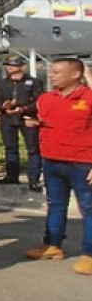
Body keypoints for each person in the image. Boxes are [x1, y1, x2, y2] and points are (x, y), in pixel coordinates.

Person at [23, 58, 92, 275]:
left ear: (76, 74)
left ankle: (89, 254)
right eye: (51, 71)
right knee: (55, 205)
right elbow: (43, 119)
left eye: (57, 72)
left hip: (83, 163)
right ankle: (53, 245)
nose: (51, 75)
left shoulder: (88, 97)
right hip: (52, 161)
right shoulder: (46, 99)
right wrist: (32, 122)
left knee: (88, 210)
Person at [0, 56, 44, 190]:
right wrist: (3, 107)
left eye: (13, 65)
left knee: (33, 149)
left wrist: (24, 108)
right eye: (8, 64)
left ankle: (33, 180)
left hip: (27, 118)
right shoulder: (2, 83)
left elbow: (39, 101)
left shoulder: (34, 82)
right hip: (8, 119)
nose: (10, 67)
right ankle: (12, 176)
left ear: (22, 66)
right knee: (10, 148)